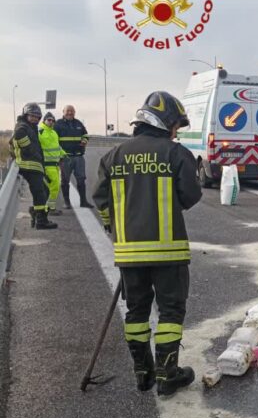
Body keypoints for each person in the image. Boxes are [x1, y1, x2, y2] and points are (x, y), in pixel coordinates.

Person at [93, 91, 202, 396]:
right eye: (175, 126)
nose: (175, 132)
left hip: (129, 253)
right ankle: (168, 374)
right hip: (169, 252)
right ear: (166, 123)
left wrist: (114, 225)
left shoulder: (112, 156)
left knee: (136, 312)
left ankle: (143, 373)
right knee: (170, 312)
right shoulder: (176, 153)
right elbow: (191, 196)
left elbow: (101, 201)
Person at [11, 103, 58, 230]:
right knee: (40, 192)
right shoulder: (22, 126)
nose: (35, 119)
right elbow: (19, 136)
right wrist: (32, 152)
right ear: (26, 115)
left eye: (37, 117)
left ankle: (36, 213)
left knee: (44, 190)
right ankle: (41, 221)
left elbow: (12, 143)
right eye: (32, 116)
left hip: (34, 165)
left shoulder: (30, 127)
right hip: (29, 165)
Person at [55, 104, 92, 208]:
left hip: (79, 157)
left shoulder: (78, 123)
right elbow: (53, 139)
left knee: (81, 179)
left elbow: (85, 134)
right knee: (65, 180)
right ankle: (67, 202)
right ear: (63, 112)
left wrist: (84, 140)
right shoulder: (58, 124)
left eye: (72, 111)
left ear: (74, 113)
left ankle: (83, 202)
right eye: (68, 111)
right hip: (65, 157)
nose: (70, 113)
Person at [38, 112, 67, 215]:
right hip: (46, 165)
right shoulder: (40, 132)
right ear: (44, 120)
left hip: (55, 165)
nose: (51, 122)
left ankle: (50, 208)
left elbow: (57, 146)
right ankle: (49, 209)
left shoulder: (53, 133)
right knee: (53, 187)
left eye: (53, 120)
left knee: (54, 186)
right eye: (49, 120)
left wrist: (63, 154)